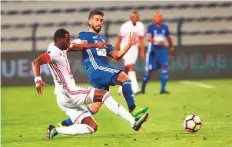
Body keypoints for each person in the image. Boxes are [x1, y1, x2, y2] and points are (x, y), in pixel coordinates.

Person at [32, 28, 148, 140]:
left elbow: (78, 46)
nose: (69, 42)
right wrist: (38, 80)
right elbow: (37, 62)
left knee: (92, 127)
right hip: (70, 92)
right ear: (58, 40)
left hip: (62, 98)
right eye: (67, 40)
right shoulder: (53, 52)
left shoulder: (61, 48)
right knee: (104, 95)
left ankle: (56, 130)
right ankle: (133, 121)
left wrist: (95, 45)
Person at [59, 10, 149, 128]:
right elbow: (70, 46)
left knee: (95, 107)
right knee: (125, 78)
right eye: (96, 20)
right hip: (98, 69)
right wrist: (86, 45)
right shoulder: (84, 35)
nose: (99, 22)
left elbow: (116, 56)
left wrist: (128, 45)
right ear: (90, 21)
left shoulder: (103, 40)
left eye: (101, 20)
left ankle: (63, 124)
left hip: (99, 73)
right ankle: (133, 109)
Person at [141, 11, 174, 94]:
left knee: (164, 68)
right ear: (154, 18)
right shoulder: (150, 27)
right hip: (153, 51)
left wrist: (172, 46)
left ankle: (162, 90)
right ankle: (143, 88)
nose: (157, 18)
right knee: (149, 71)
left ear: (161, 18)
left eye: (159, 17)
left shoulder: (165, 27)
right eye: (156, 17)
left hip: (162, 50)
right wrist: (156, 41)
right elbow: (148, 38)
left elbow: (168, 38)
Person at [115, 11, 145, 95]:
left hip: (134, 49)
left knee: (127, 70)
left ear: (138, 17)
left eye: (136, 17)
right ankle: (135, 88)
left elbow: (141, 39)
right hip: (125, 48)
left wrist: (142, 51)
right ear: (130, 17)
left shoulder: (140, 26)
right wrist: (116, 52)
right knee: (131, 67)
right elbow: (119, 39)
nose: (134, 18)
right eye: (133, 17)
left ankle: (121, 89)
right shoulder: (125, 26)